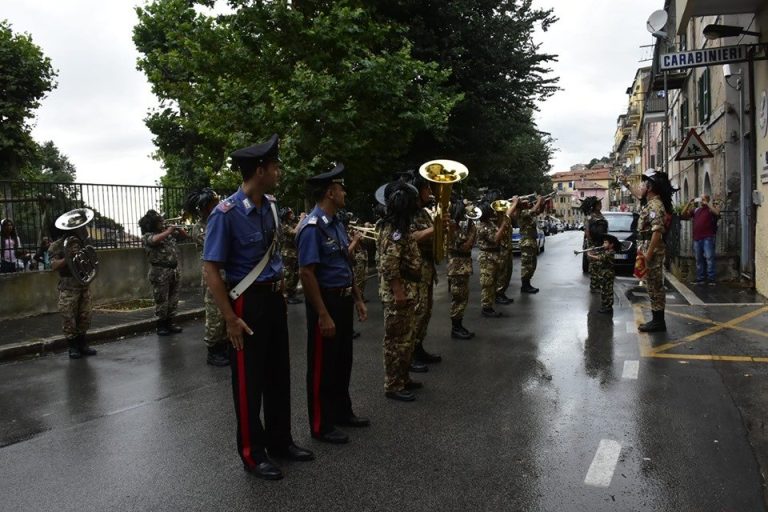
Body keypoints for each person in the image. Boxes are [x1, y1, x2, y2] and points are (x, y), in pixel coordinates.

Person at [203, 134, 313, 480]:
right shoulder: (226, 214)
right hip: (246, 303)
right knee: (249, 382)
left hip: (273, 298)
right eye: (275, 166)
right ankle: (253, 453)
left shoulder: (272, 207)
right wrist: (229, 319)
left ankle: (282, 441)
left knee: (279, 374)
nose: (280, 171)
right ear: (260, 169)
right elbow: (211, 269)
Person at [297, 164, 369, 445]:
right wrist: (323, 314)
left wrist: (358, 299)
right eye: (341, 188)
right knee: (322, 366)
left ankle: (341, 412)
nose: (344, 192)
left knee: (342, 361)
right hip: (324, 302)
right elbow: (306, 273)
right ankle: (320, 424)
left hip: (342, 299)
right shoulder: (311, 228)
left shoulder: (336, 224)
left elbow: (343, 264)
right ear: (330, 192)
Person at [377, 180, 423, 401]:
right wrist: (398, 292)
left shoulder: (401, 227)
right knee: (396, 342)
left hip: (408, 290)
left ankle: (403, 378)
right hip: (399, 294)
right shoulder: (394, 230)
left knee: (407, 339)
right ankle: (393, 385)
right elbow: (389, 264)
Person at [621, 169, 676, 332]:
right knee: (651, 285)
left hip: (652, 251)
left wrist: (648, 255)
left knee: (655, 285)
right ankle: (657, 320)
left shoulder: (655, 206)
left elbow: (657, 231)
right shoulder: (650, 202)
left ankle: (658, 322)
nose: (641, 186)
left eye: (644, 183)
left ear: (650, 187)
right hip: (647, 248)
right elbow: (638, 195)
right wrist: (627, 185)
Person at [184, 188, 229, 367]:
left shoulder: (218, 222)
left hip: (227, 274)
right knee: (215, 314)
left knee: (225, 312)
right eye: (213, 203)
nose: (217, 204)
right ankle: (213, 350)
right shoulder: (200, 228)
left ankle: (224, 345)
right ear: (205, 207)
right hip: (213, 275)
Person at [49, 209, 98, 359]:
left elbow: (92, 260)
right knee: (68, 317)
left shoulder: (84, 242)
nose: (82, 228)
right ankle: (72, 347)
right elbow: (53, 266)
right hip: (68, 285)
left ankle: (83, 344)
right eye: (79, 226)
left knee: (85, 316)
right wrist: (67, 258)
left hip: (83, 283)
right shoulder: (58, 245)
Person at [409, 172, 441, 371]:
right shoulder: (409, 213)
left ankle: (419, 347)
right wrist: (435, 229)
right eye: (427, 187)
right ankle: (410, 354)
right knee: (417, 312)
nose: (430, 191)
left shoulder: (424, 213)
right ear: (418, 190)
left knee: (426, 312)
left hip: (428, 268)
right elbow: (411, 236)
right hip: (416, 269)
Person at [139, 209, 186, 336]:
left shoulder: (166, 233)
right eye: (159, 221)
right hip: (159, 272)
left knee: (173, 299)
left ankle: (170, 322)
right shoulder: (147, 236)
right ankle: (161, 325)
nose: (162, 223)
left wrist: (177, 228)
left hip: (174, 270)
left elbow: (184, 236)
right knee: (161, 300)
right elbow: (154, 241)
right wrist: (168, 231)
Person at [477, 199, 518, 317]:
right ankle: (486, 308)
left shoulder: (490, 223)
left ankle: (489, 305)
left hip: (493, 256)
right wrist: (503, 226)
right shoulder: (482, 226)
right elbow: (495, 239)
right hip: (487, 257)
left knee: (493, 282)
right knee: (487, 283)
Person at [448, 202, 477, 339]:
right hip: (457, 267)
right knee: (458, 298)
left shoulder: (459, 227)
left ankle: (459, 325)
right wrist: (473, 231)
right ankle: (456, 328)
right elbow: (465, 246)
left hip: (462, 267)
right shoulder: (452, 228)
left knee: (463, 298)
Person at [680, 194, 721, 285]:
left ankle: (711, 279)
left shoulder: (710, 209)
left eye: (703, 199)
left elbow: (717, 213)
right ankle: (700, 278)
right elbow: (683, 214)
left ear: (707, 199)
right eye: (701, 199)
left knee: (709, 257)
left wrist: (707, 203)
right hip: (697, 238)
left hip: (707, 237)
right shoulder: (696, 210)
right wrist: (689, 203)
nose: (701, 201)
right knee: (698, 259)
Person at [519, 195, 545, 293]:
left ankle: (528, 283)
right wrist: (538, 201)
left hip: (532, 241)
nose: (529, 202)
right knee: (527, 265)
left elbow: (539, 211)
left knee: (532, 264)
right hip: (526, 242)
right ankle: (524, 286)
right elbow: (533, 210)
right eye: (526, 202)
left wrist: (542, 203)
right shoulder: (523, 213)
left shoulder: (530, 213)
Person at [581, 196, 607, 293]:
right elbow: (587, 232)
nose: (600, 205)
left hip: (602, 242)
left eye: (600, 203)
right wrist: (592, 244)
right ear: (594, 206)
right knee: (594, 265)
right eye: (598, 204)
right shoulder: (590, 216)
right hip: (594, 243)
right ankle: (594, 285)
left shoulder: (601, 215)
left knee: (600, 264)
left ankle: (598, 283)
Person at [587, 234, 618, 315]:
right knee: (604, 291)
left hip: (608, 275)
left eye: (606, 243)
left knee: (607, 292)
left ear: (611, 245)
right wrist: (593, 251)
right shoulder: (606, 251)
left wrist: (590, 255)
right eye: (603, 243)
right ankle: (605, 306)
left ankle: (608, 307)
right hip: (604, 275)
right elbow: (599, 255)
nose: (603, 245)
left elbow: (600, 257)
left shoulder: (610, 253)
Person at [279, 207, 304, 304]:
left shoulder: (292, 224)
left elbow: (300, 227)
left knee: (295, 275)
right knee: (289, 275)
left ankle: (292, 293)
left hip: (295, 254)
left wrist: (302, 220)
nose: (292, 214)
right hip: (288, 255)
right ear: (286, 215)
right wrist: (301, 219)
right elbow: (294, 232)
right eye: (290, 213)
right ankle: (287, 295)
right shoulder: (284, 226)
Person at [495, 206, 514, 305]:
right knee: (502, 273)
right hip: (502, 249)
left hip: (508, 248)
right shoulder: (498, 218)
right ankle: (498, 294)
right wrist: (514, 203)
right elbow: (507, 215)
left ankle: (502, 293)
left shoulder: (505, 218)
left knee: (507, 272)